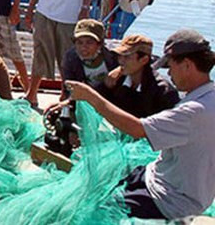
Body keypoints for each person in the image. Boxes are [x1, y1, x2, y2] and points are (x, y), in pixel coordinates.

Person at [67, 29, 215, 220]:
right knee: (102, 184)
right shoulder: (208, 97)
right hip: (157, 176)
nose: (169, 72)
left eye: (170, 66)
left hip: (169, 199)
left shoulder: (194, 111)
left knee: (98, 211)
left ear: (187, 65)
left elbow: (137, 129)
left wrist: (90, 96)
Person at [99, 34, 179, 118]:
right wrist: (106, 86)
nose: (121, 61)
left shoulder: (163, 92)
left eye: (126, 57)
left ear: (144, 60)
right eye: (120, 56)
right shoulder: (117, 79)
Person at [61, 19, 118, 99]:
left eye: (89, 42)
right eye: (79, 42)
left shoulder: (114, 57)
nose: (83, 47)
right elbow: (69, 88)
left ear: (99, 44)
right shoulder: (70, 58)